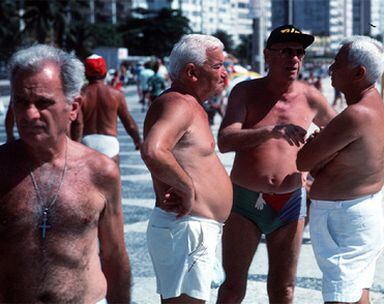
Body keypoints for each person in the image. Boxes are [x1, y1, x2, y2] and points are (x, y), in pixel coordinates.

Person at [0, 45, 131, 303]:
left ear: (73, 107)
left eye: (43, 102)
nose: (29, 114)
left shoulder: (100, 172)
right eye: (21, 102)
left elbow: (114, 256)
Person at [217, 24, 336, 303]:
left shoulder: (311, 97)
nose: (293, 58)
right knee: (233, 286)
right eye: (285, 51)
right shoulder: (245, 92)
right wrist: (271, 131)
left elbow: (341, 137)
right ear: (267, 55)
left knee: (283, 289)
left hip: (290, 202)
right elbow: (225, 140)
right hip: (244, 200)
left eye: (299, 52)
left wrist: (317, 167)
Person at [296, 36, 384, 304]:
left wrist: (317, 150)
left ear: (359, 72)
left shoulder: (355, 114)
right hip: (360, 212)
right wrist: (325, 155)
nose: (330, 69)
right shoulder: (373, 105)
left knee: (339, 296)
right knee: (357, 292)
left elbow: (303, 161)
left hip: (345, 218)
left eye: (337, 64)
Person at [141, 34, 233, 303]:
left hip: (193, 229)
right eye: (217, 66)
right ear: (191, 72)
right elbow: (153, 150)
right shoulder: (179, 103)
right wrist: (187, 187)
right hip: (187, 228)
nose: (224, 73)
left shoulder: (189, 104)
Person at [73, 54, 141, 165]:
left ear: (86, 74)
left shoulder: (80, 95)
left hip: (87, 142)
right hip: (110, 144)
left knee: (88, 181)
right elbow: (128, 122)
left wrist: (74, 146)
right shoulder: (116, 94)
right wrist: (137, 140)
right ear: (105, 73)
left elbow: (78, 124)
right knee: (112, 181)